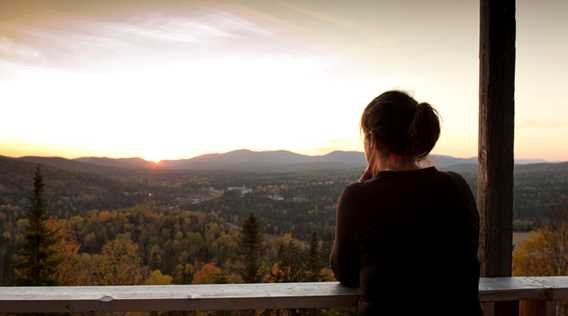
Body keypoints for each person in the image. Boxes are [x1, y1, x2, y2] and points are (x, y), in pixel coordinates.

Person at [330, 90, 482, 316]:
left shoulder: (358, 197)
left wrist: (363, 184)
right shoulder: (457, 187)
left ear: (371, 140)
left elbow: (346, 274)